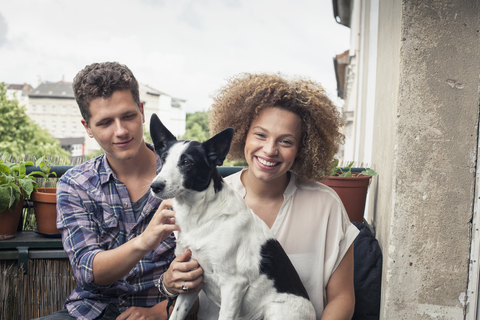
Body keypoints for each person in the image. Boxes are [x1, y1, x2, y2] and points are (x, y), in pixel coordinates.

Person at [36, 62, 203, 320]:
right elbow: (87, 271)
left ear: (142, 111)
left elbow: (209, 270)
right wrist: (145, 240)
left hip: (165, 312)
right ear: (87, 128)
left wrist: (158, 313)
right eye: (105, 122)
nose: (121, 131)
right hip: (90, 312)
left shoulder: (189, 179)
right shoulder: (75, 184)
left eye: (128, 116)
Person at [197, 72, 359, 320]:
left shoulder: (326, 205)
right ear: (243, 135)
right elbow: (185, 288)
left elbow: (342, 297)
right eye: (260, 135)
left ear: (302, 147)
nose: (270, 150)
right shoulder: (203, 200)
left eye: (285, 141)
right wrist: (172, 283)